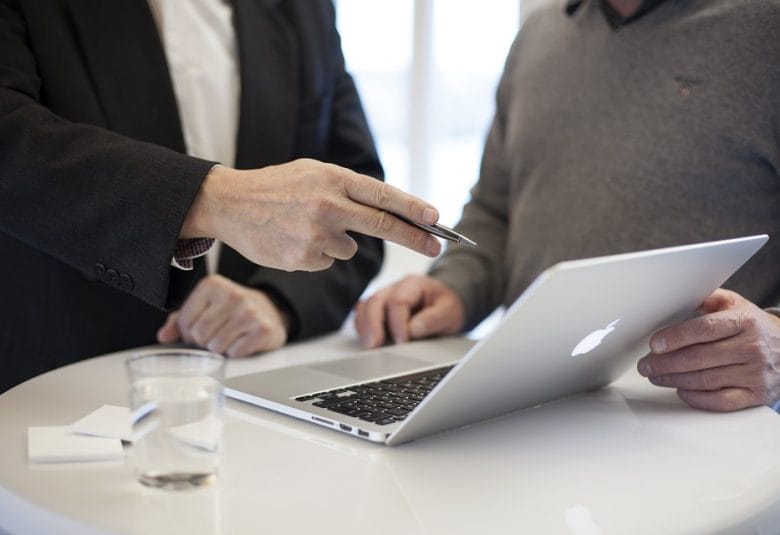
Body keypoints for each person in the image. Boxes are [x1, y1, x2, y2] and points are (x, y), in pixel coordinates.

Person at [354, 0, 780, 412]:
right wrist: (454, 288)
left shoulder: (766, 30)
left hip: (703, 429)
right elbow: (496, 211)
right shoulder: (538, 36)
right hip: (524, 407)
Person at [0, 0, 444, 393]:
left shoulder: (304, 9)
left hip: (251, 400)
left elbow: (355, 205)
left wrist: (279, 302)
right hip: (49, 395)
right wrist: (212, 200)